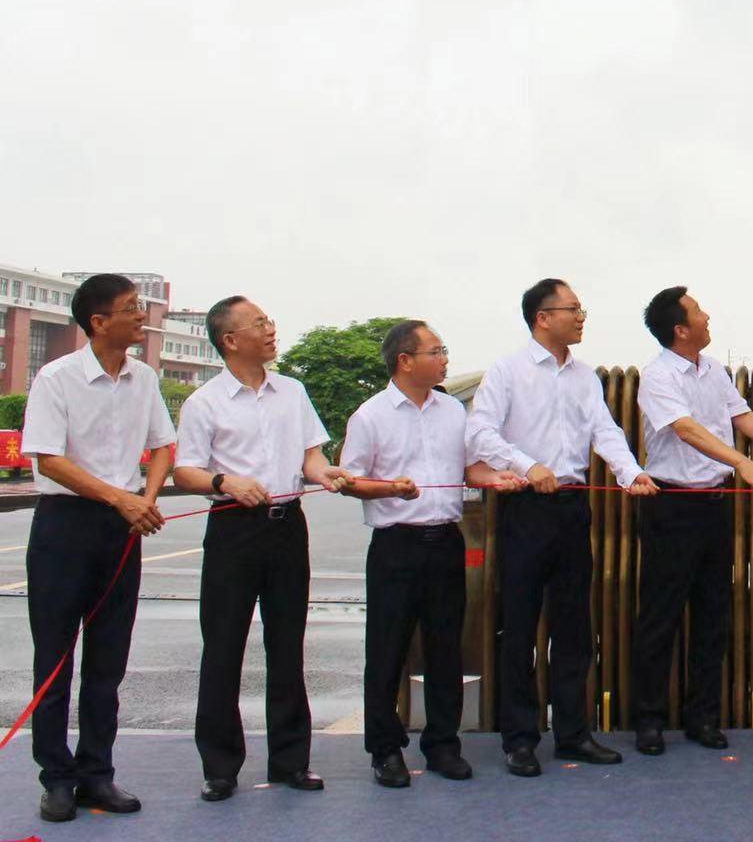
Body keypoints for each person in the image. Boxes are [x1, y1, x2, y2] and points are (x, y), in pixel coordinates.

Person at [467, 278, 657, 777]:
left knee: (575, 627)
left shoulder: (584, 376)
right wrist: (528, 466)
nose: (581, 316)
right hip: (526, 508)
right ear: (542, 317)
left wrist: (631, 473)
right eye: (572, 308)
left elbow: (604, 431)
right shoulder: (507, 371)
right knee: (521, 628)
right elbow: (481, 432)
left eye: (581, 308)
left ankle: (573, 733)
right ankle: (520, 739)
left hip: (572, 508)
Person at [173, 296, 352, 801]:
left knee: (288, 646)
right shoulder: (204, 402)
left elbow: (310, 456)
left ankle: (292, 760)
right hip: (234, 529)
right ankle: (221, 766)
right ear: (230, 340)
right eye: (259, 323)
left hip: (286, 528)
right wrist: (226, 481)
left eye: (270, 320)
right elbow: (187, 470)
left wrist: (327, 473)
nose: (271, 329)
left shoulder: (291, 391)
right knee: (224, 646)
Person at [632, 287, 753, 754]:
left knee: (713, 615)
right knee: (661, 616)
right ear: (680, 329)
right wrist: (742, 464)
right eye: (697, 311)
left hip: (714, 504)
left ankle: (704, 718)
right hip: (670, 506)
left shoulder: (713, 369)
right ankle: (649, 721)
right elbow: (687, 429)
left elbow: (742, 415)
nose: (707, 315)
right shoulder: (657, 377)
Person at [21, 274, 176, 825]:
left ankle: (97, 774)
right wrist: (121, 498)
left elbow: (162, 445)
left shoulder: (145, 378)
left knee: (108, 660)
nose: (142, 315)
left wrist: (146, 499)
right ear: (98, 322)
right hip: (66, 525)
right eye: (132, 308)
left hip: (124, 527)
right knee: (55, 657)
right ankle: (56, 779)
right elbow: (48, 458)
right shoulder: (56, 377)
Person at [340, 320, 500, 788]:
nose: (445, 359)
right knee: (387, 650)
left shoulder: (453, 411)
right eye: (436, 351)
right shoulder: (370, 416)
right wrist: (389, 488)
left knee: (445, 647)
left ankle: (443, 745)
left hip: (445, 541)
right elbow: (349, 480)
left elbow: (471, 468)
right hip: (396, 545)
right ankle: (385, 750)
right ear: (405, 361)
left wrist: (499, 477)